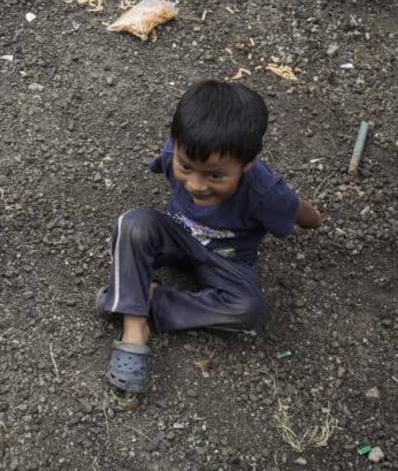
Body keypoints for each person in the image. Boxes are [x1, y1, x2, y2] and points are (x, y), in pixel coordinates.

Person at [97, 79, 321, 393]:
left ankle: (145, 298)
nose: (196, 184)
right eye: (186, 167)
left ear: (247, 164)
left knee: (249, 308)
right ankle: (134, 330)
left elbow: (295, 208)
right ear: (175, 146)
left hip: (225, 261)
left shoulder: (265, 192)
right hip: (176, 237)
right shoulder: (175, 152)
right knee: (132, 224)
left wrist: (315, 220)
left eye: (215, 175)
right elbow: (170, 169)